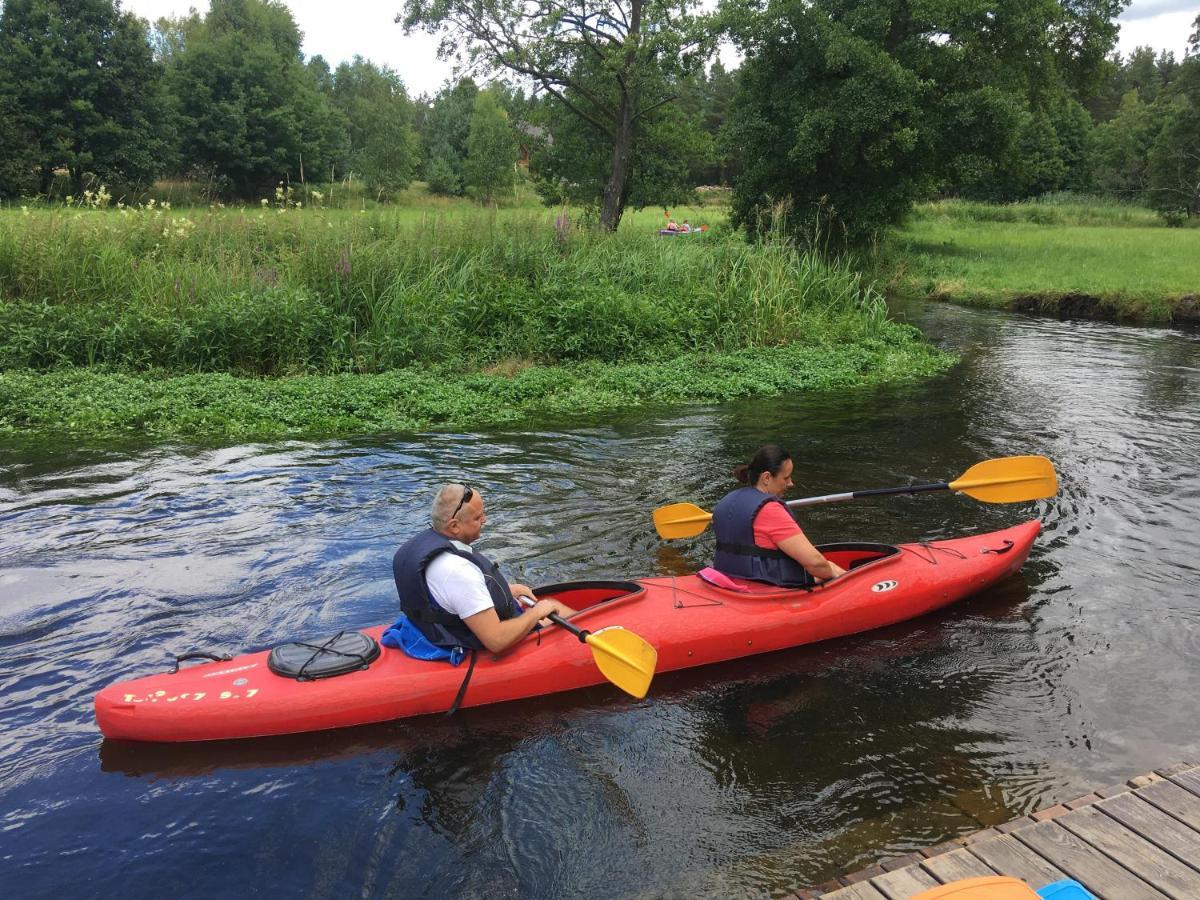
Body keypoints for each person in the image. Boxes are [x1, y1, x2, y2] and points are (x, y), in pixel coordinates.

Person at [392, 484, 574, 655]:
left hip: (432, 630)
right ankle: (598, 633)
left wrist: (507, 591)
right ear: (454, 525)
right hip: (463, 642)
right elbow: (496, 641)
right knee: (551, 606)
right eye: (478, 518)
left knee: (547, 605)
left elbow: (449, 595)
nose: (484, 520)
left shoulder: (426, 548)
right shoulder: (459, 571)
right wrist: (536, 613)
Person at [711, 445, 847, 587]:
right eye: (786, 478)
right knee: (829, 567)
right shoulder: (770, 510)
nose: (790, 483)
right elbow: (815, 563)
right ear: (767, 477)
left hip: (728, 582)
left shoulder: (725, 502)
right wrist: (834, 572)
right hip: (767, 588)